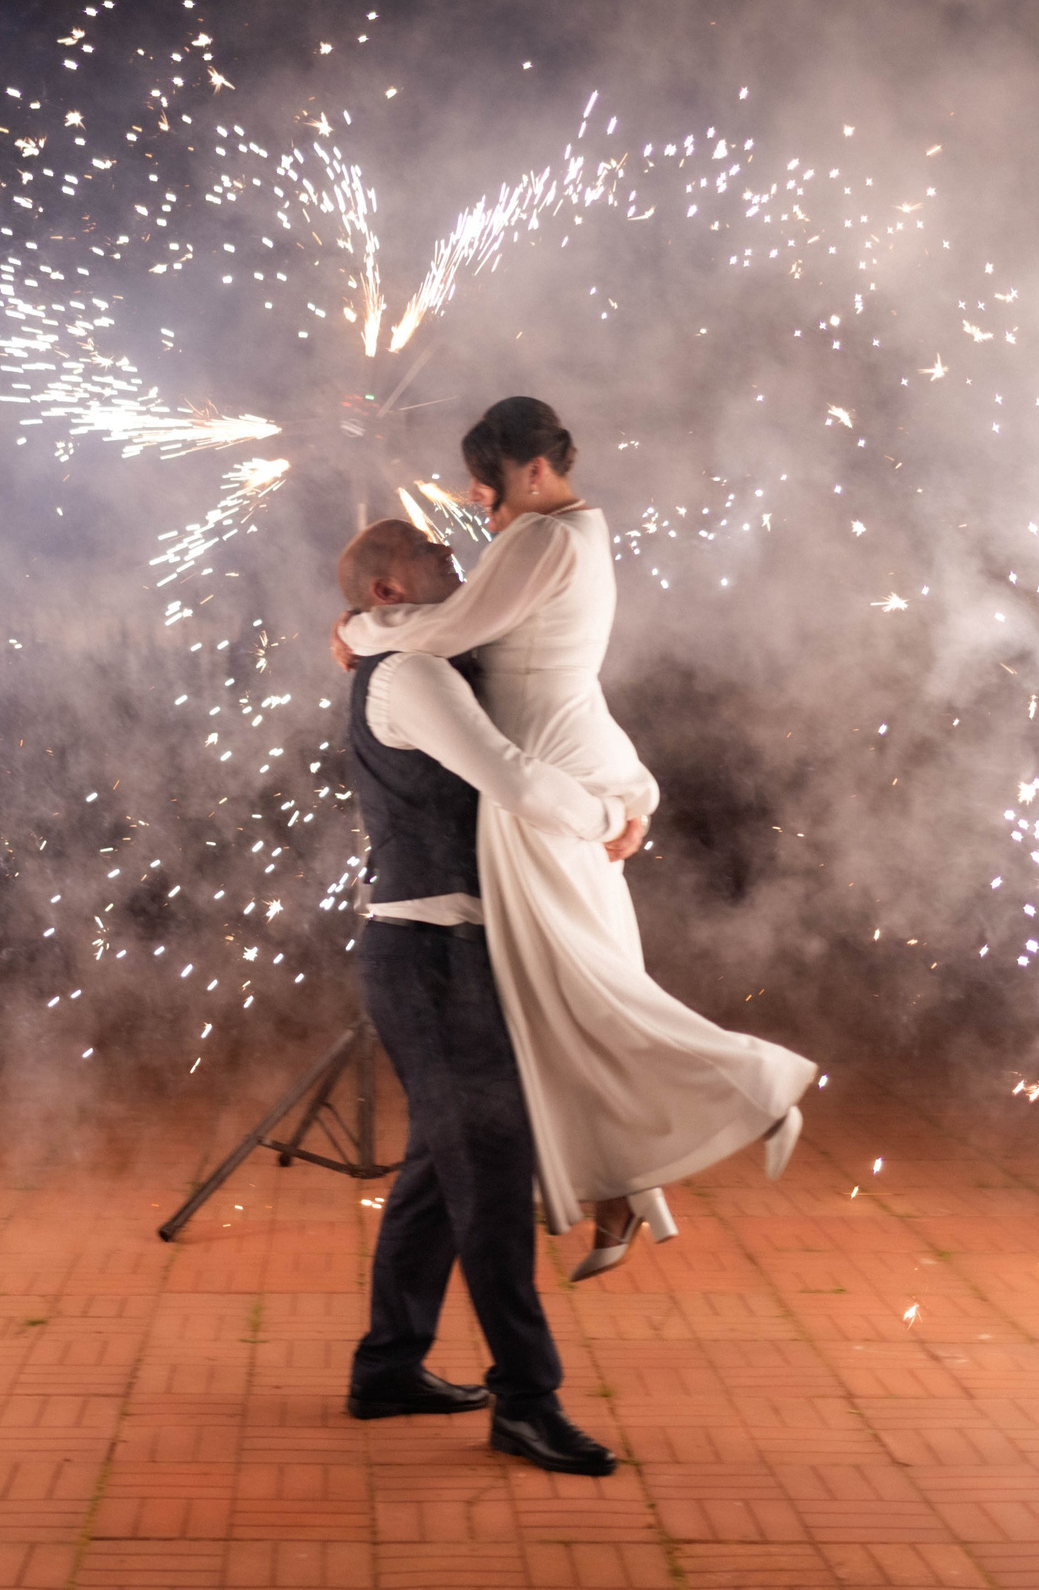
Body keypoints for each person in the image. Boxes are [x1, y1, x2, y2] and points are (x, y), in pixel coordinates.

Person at [336, 397, 816, 1281]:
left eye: (490, 498)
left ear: (533, 472)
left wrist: (360, 632)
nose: (485, 520)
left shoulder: (542, 539)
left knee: (577, 992)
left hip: (538, 784)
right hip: (562, 754)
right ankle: (623, 1193)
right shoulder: (581, 534)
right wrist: (626, 785)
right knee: (573, 993)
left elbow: (448, 630)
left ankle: (753, 1089)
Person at [336, 517, 620, 1477]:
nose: (455, 559)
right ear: (385, 592)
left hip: (440, 952)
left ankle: (388, 1367)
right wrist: (609, 817)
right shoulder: (411, 674)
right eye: (429, 554)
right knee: (491, 1173)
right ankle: (527, 1401)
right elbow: (509, 777)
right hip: (431, 957)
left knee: (438, 1162)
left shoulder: (419, 659)